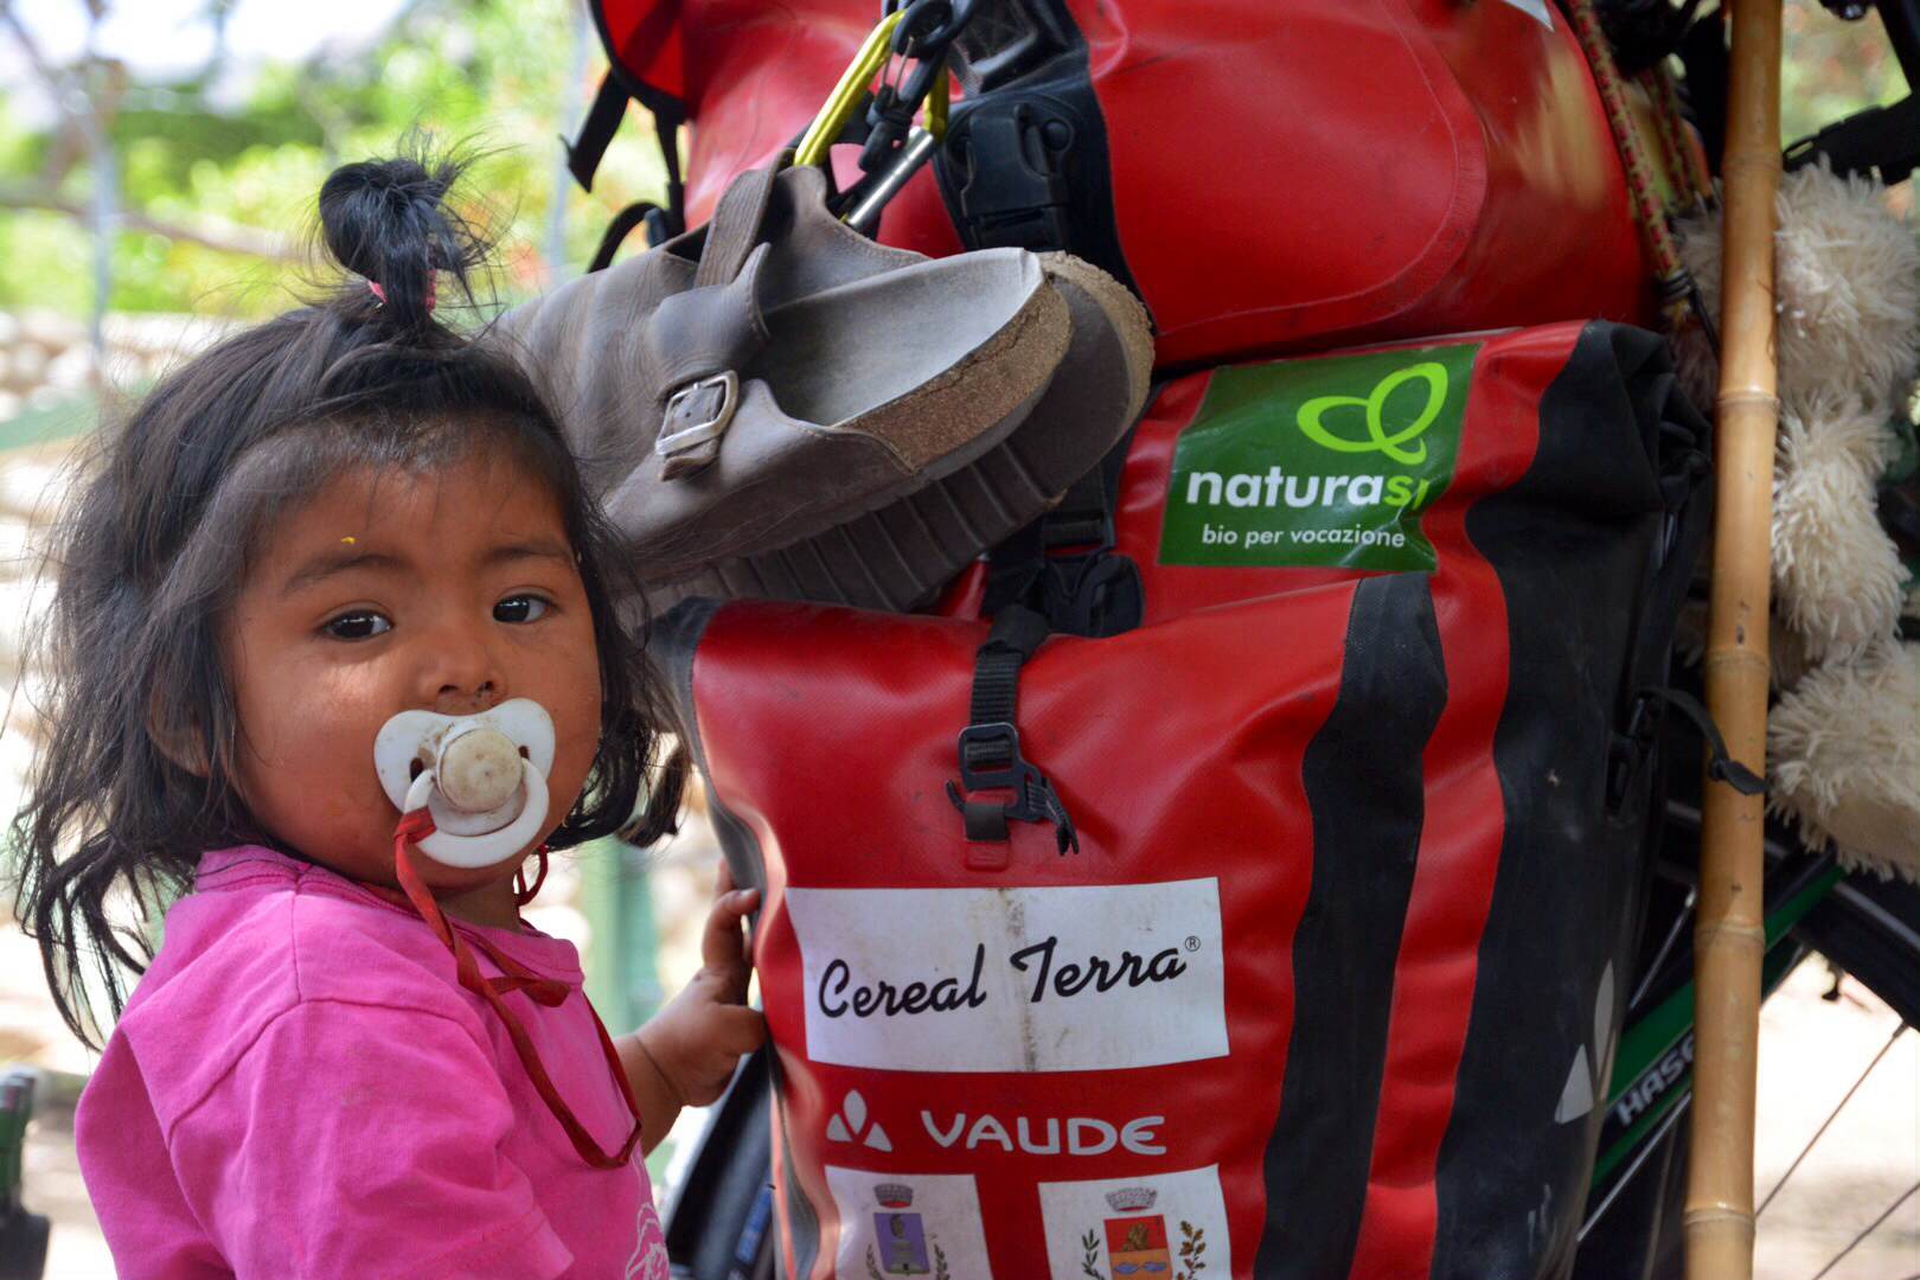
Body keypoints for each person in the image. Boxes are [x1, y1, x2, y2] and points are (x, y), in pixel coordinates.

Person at [7, 150, 765, 1278]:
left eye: (519, 603)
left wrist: (660, 1062)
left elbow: (525, 1164)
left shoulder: (401, 936)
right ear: (187, 709)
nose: (468, 665)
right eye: (358, 623)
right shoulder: (330, 999)